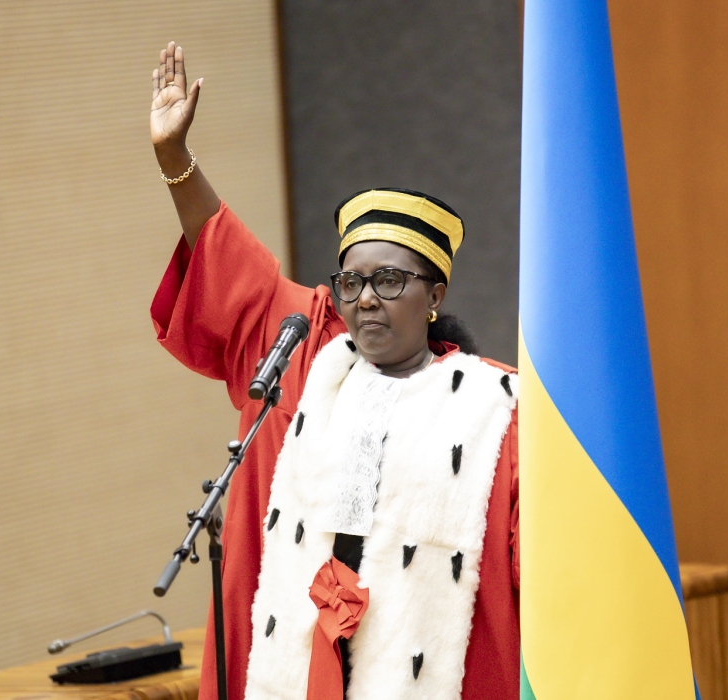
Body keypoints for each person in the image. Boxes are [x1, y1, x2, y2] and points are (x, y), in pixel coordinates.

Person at [148, 42, 519, 700]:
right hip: (299, 665)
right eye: (352, 280)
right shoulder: (299, 347)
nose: (366, 297)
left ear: (435, 297)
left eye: (390, 280)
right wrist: (175, 160)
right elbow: (223, 254)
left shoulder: (492, 408)